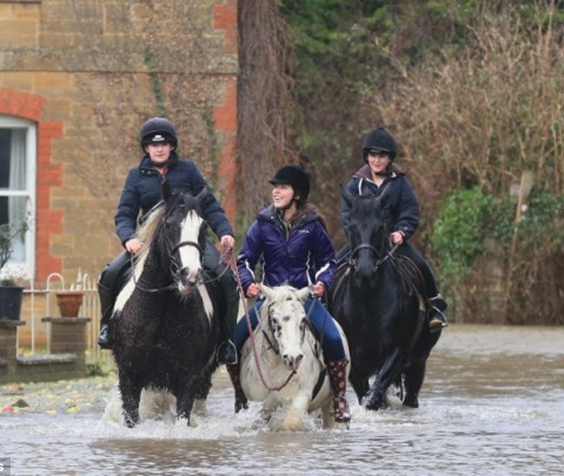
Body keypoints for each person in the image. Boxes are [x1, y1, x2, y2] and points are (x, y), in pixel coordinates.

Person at [96, 116, 239, 365]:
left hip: (190, 240)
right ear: (146, 148)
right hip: (150, 243)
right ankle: (107, 327)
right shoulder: (136, 176)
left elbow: (210, 206)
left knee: (226, 279)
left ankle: (226, 342)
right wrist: (128, 238)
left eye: (164, 144)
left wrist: (224, 231)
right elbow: (124, 214)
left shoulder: (189, 170)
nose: (158, 148)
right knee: (109, 275)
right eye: (153, 144)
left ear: (172, 146)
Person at [228, 165, 351, 423]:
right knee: (234, 341)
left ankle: (339, 399)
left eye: (282, 187)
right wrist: (249, 282)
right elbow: (244, 260)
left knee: (333, 338)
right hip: (269, 300)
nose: (276, 192)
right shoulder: (262, 223)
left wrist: (322, 283)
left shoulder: (313, 226)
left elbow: (328, 262)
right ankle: (241, 396)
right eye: (275, 187)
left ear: (297, 194)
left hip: (303, 299)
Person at [341, 127, 448, 332]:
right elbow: (347, 215)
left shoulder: (400, 184)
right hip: (364, 241)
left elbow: (410, 211)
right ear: (367, 157)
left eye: (382, 156)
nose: (377, 160)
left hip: (392, 241)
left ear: (389, 158)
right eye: (373, 155)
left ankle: (434, 307)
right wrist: (355, 235)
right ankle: (325, 306)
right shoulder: (355, 184)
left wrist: (402, 232)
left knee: (421, 265)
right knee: (335, 264)